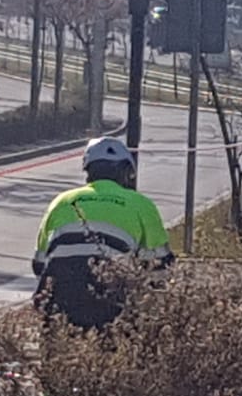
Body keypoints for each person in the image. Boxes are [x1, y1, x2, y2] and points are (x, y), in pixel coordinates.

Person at [33, 137, 173, 329]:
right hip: (109, 301)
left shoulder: (61, 201)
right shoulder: (141, 204)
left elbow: (39, 264)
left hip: (59, 301)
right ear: (126, 173)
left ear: (88, 172)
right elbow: (161, 267)